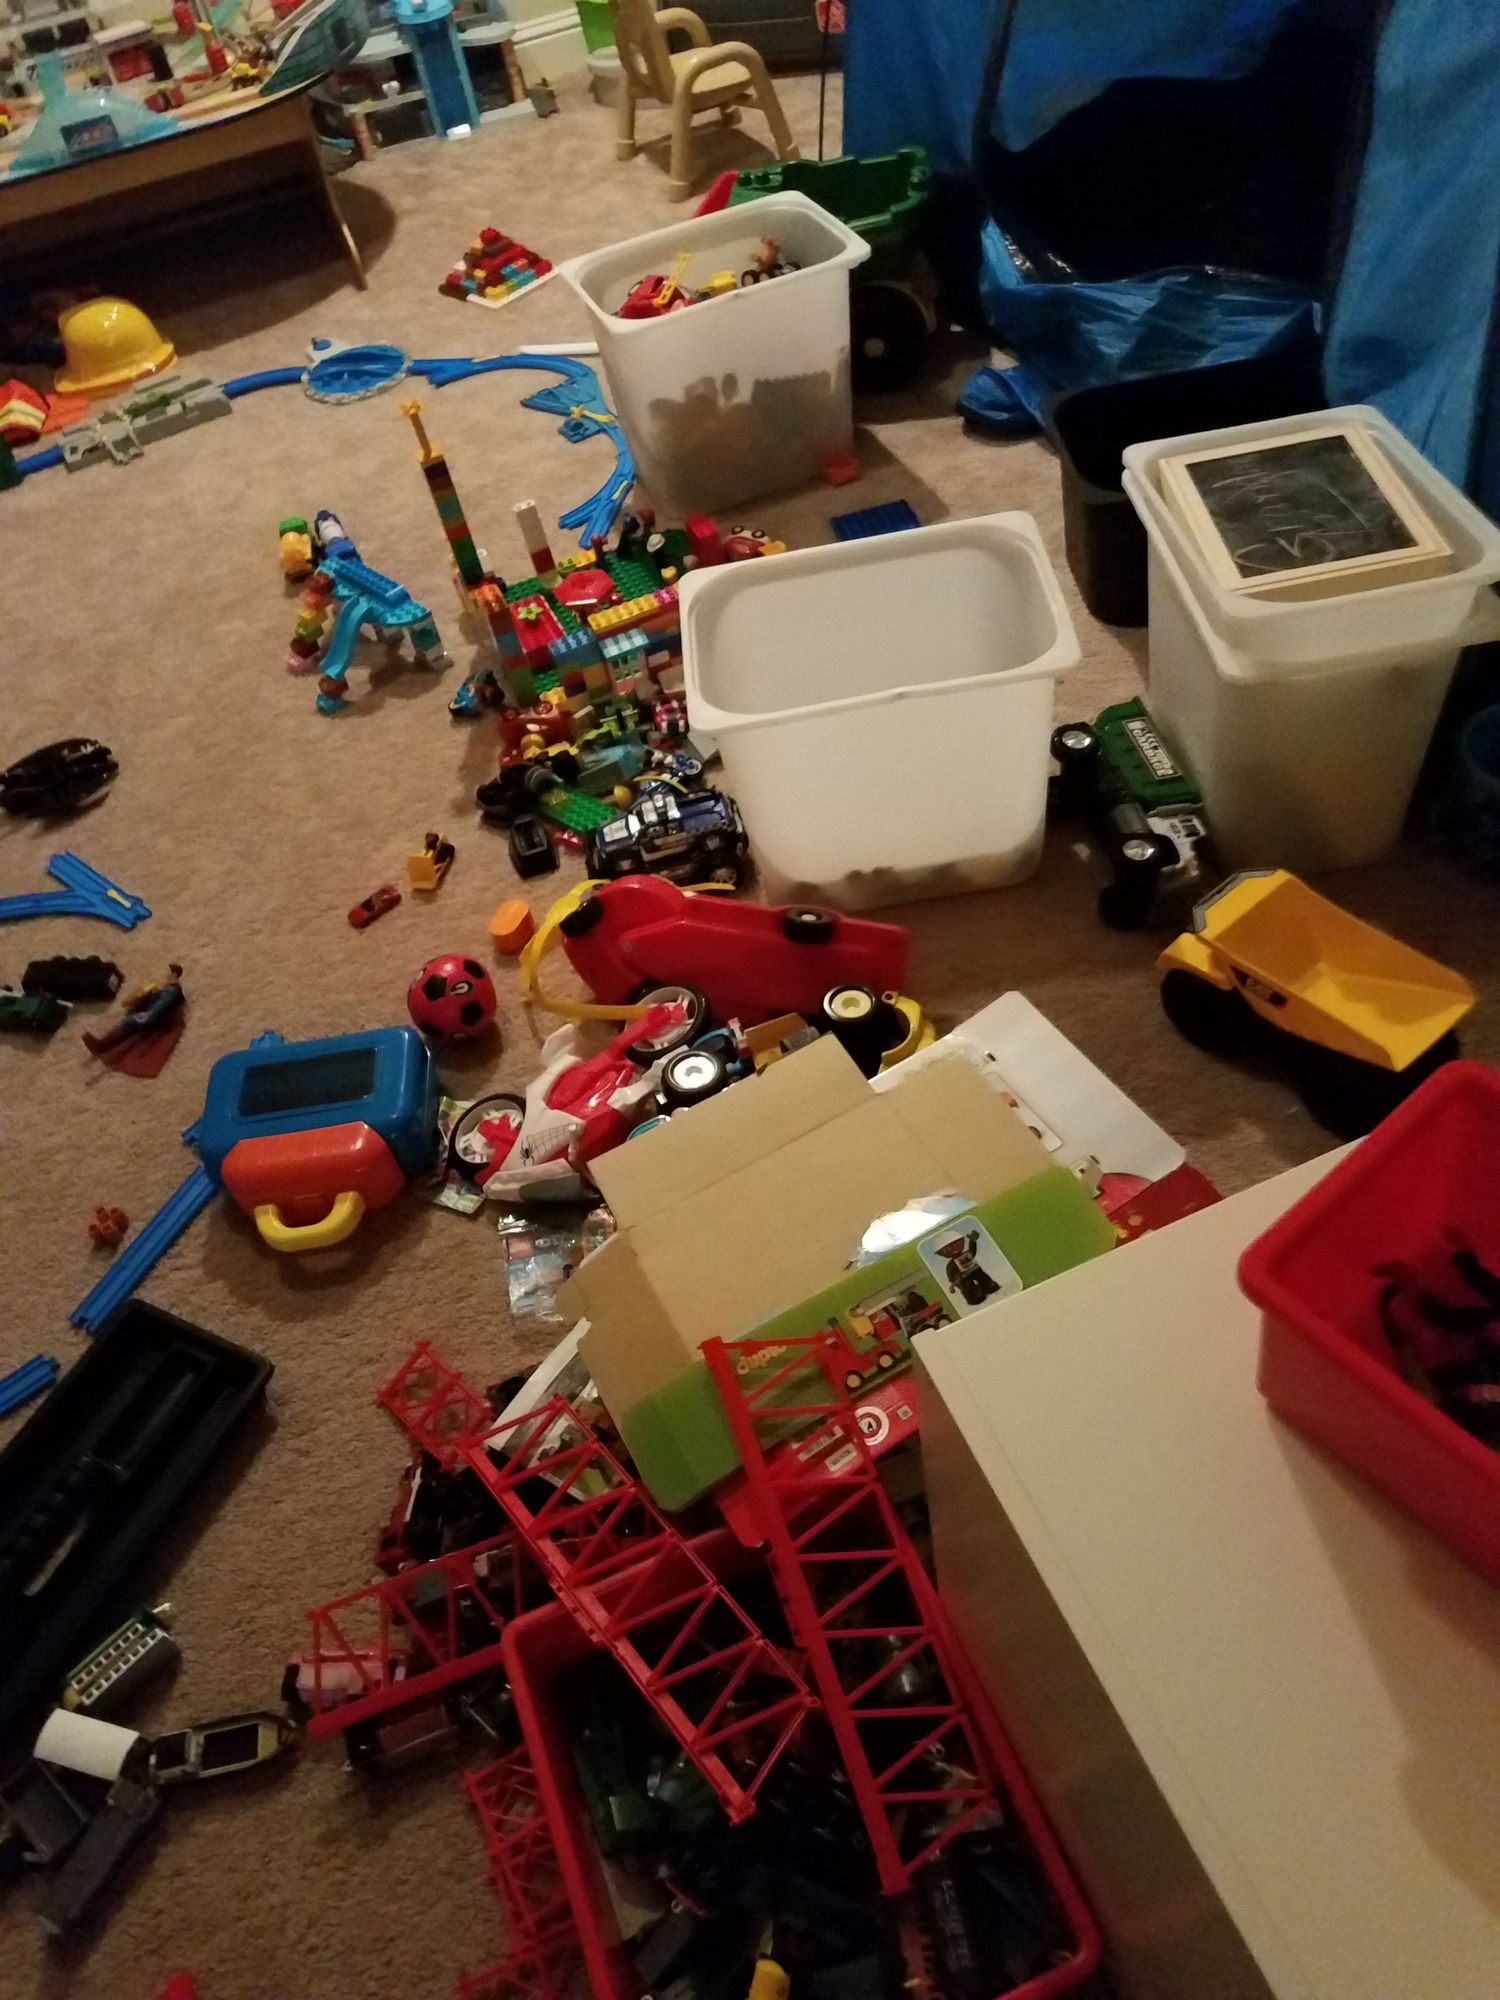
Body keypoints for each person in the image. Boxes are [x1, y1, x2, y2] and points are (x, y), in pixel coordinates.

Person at [83, 964, 184, 1056]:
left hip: (154, 1016)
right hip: (155, 1011)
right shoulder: (168, 992)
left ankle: (101, 1045)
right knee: (131, 1021)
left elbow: (157, 1009)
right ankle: (101, 1044)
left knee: (131, 1021)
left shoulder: (171, 992)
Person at [941, 1231, 1002, 1307]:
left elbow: (972, 1250)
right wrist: (954, 1283)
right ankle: (973, 1296)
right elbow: (951, 1274)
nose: (953, 1248)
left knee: (982, 1277)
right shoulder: (951, 1264)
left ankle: (988, 1285)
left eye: (957, 1243)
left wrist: (972, 1240)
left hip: (976, 1271)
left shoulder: (967, 1254)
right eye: (948, 1248)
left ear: (962, 1242)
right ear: (942, 1253)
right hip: (964, 1278)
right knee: (967, 1286)